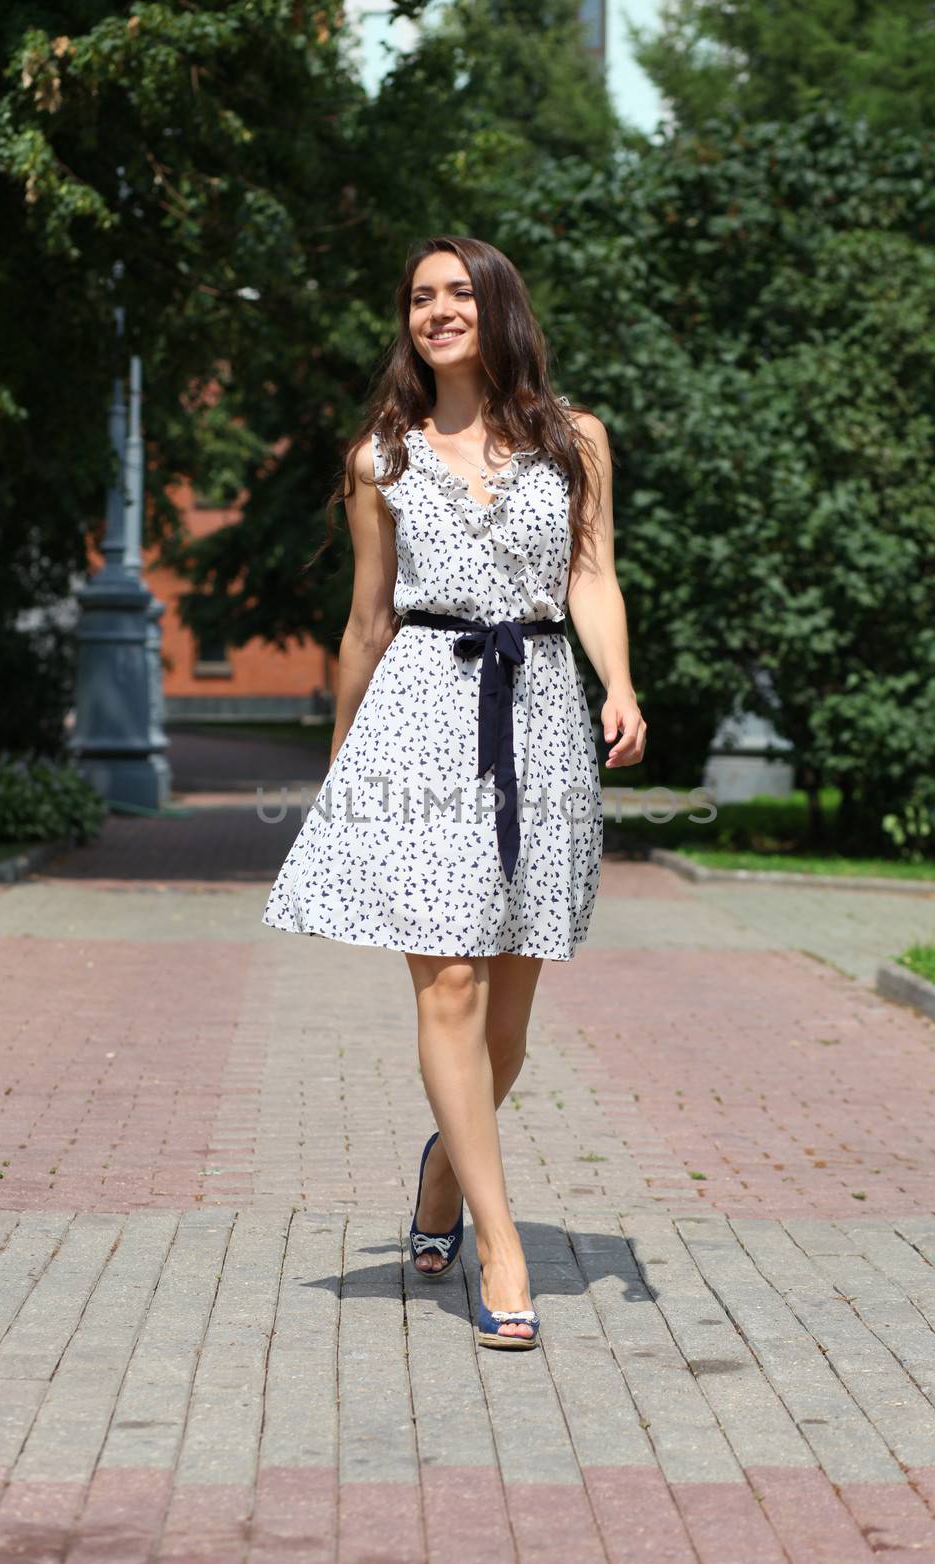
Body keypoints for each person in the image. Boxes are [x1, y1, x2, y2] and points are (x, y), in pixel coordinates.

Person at [263, 233, 646, 1349]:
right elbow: (367, 619)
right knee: (450, 987)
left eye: (458, 292)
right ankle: (500, 1244)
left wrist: (618, 682)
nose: (438, 310)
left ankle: (441, 1172)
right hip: (421, 714)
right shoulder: (378, 458)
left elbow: (591, 574)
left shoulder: (575, 439)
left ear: (497, 306)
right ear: (408, 322)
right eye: (420, 297)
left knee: (508, 1025)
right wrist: (341, 750)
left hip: (539, 714)